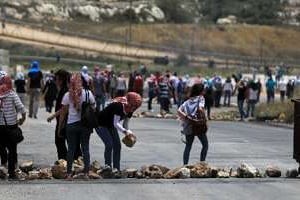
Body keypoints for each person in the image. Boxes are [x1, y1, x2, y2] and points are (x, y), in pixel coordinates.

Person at [58, 73, 95, 180]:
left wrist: (60, 127)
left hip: (71, 125)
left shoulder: (67, 95)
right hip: (85, 125)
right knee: (85, 148)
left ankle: (69, 174)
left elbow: (63, 113)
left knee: (71, 149)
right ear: (81, 82)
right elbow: (94, 107)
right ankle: (86, 173)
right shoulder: (88, 94)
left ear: (71, 83)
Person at [96, 92, 142, 171]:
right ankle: (108, 166)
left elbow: (125, 125)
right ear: (129, 102)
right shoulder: (119, 106)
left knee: (117, 145)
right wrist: (125, 132)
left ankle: (116, 168)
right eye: (133, 105)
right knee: (109, 144)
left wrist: (130, 134)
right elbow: (116, 123)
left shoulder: (130, 110)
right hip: (101, 124)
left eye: (136, 106)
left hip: (110, 125)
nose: (134, 108)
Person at [47, 69, 82, 160]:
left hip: (65, 121)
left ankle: (65, 162)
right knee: (73, 144)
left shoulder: (65, 91)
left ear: (61, 80)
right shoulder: (66, 89)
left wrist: (56, 121)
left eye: (57, 79)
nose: (55, 81)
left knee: (60, 141)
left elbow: (64, 109)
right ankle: (76, 162)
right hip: (72, 121)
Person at [0, 71, 26, 179]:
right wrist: (22, 119)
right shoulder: (12, 93)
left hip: (0, 127)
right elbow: (22, 108)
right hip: (11, 126)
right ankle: (11, 173)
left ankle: (3, 164)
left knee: (1, 146)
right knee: (12, 150)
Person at [177, 83, 208, 165]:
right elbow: (200, 109)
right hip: (198, 125)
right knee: (205, 145)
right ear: (201, 91)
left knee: (188, 146)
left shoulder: (187, 101)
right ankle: (202, 163)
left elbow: (179, 111)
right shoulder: (201, 98)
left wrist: (187, 118)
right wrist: (205, 119)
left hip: (188, 125)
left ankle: (185, 165)